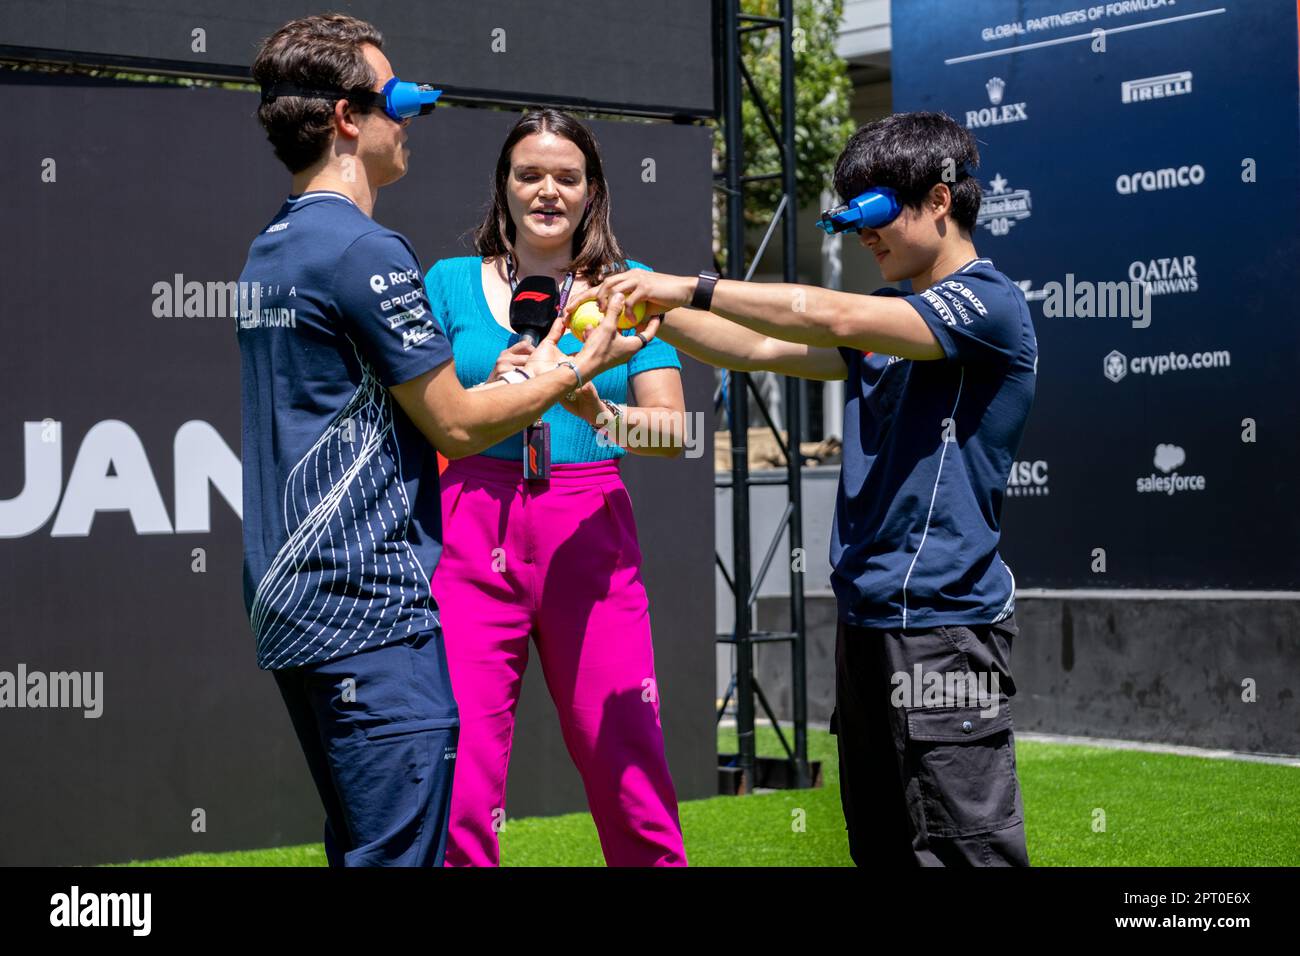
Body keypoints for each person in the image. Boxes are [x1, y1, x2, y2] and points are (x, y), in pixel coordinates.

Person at [568, 111, 1037, 867]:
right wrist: (657, 310)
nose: (864, 236)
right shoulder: (887, 324)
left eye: (874, 214)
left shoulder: (988, 305)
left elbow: (820, 310)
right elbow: (757, 344)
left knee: (966, 854)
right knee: (883, 847)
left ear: (941, 201)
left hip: (945, 630)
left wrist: (691, 283)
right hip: (870, 622)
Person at [236, 14, 651, 866]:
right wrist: (575, 373)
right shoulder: (371, 252)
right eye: (397, 99)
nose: (411, 117)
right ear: (348, 118)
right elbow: (455, 426)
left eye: (567, 176)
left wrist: (546, 395)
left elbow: (405, 409)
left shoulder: (269, 248)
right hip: (374, 606)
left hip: (301, 605)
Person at [422, 108, 689, 867]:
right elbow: (416, 416)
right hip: (470, 526)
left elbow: (672, 434)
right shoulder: (445, 284)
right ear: (502, 187)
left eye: (567, 177)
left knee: (627, 765)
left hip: (587, 528)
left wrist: (596, 409)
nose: (548, 191)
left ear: (591, 190)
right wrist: (485, 396)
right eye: (529, 175)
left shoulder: (627, 290)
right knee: (461, 780)